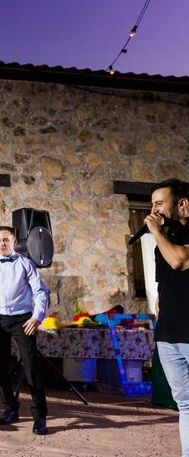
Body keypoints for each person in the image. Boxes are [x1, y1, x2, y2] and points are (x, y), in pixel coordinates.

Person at [0, 226, 49, 435]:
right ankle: (10, 408)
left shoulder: (26, 264)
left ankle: (40, 417)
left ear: (14, 241)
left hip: (23, 319)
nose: (2, 244)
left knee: (31, 367)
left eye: (6, 240)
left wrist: (37, 317)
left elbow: (40, 292)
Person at [146, 178, 189, 456]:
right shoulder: (164, 241)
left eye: (159, 203)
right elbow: (163, 290)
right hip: (169, 335)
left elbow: (179, 261)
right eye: (151, 205)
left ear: (182, 204)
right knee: (184, 404)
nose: (153, 210)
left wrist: (155, 233)